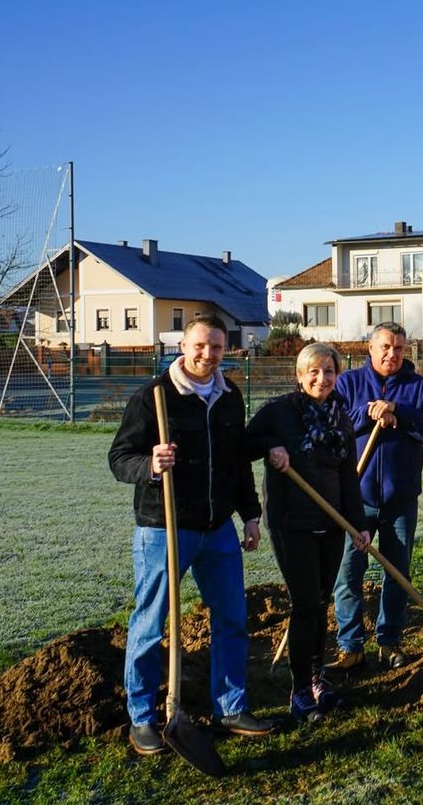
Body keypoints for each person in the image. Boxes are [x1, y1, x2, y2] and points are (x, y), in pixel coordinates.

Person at [108, 315, 277, 756]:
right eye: (200, 345)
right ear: (183, 346)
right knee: (150, 623)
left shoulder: (229, 397)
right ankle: (143, 718)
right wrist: (150, 464)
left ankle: (230, 707)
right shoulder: (153, 397)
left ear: (226, 350)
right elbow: (119, 457)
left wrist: (251, 515)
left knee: (232, 619)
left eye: (217, 347)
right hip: (164, 529)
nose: (208, 354)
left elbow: (238, 462)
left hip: (218, 528)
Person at [246, 342, 369, 723]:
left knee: (320, 603)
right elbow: (245, 444)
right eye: (313, 371)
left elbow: (348, 475)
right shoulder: (279, 411)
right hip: (291, 523)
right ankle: (300, 690)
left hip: (331, 522)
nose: (322, 378)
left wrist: (358, 523)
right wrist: (272, 446)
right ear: (299, 376)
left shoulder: (341, 417)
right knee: (304, 605)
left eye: (329, 371)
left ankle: (318, 678)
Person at [327, 322, 423, 671]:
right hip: (354, 497)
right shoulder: (348, 383)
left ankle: (389, 641)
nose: (392, 354)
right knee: (347, 573)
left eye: (399, 348)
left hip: (399, 498)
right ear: (371, 348)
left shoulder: (418, 387)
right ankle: (350, 646)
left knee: (396, 573)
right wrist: (367, 413)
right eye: (386, 347)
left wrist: (398, 411)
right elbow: (334, 426)